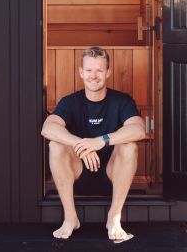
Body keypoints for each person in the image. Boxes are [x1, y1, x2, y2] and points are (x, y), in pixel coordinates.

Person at [41, 46, 146, 242]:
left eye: (99, 70)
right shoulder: (70, 102)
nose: (94, 76)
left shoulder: (121, 101)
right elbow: (47, 128)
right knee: (56, 144)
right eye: (89, 70)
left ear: (108, 72)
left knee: (129, 145)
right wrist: (82, 144)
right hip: (76, 176)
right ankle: (70, 218)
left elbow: (138, 129)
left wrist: (101, 140)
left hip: (113, 177)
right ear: (81, 72)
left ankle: (114, 218)